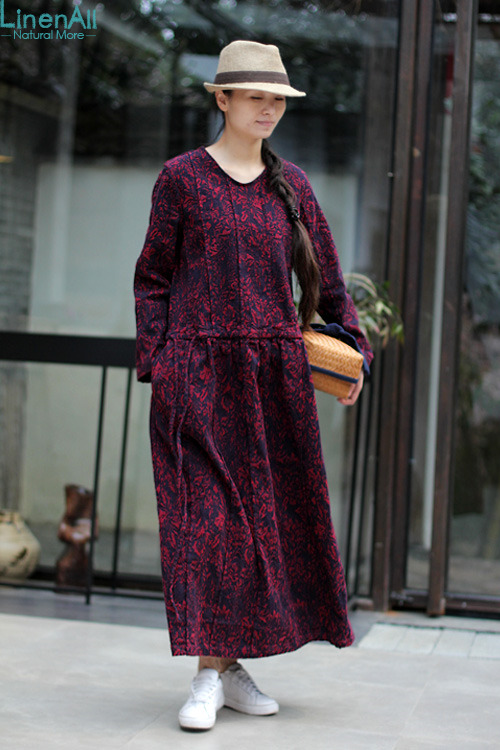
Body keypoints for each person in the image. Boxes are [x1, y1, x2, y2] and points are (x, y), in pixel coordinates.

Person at [134, 39, 373, 732]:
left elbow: (328, 282)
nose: (269, 109)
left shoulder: (291, 186)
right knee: (208, 524)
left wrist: (354, 353)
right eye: (255, 97)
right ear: (223, 98)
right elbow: (152, 278)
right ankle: (209, 676)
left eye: (278, 100)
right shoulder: (181, 179)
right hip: (197, 378)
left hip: (274, 383)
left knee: (260, 529)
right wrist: (161, 362)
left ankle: (227, 668)